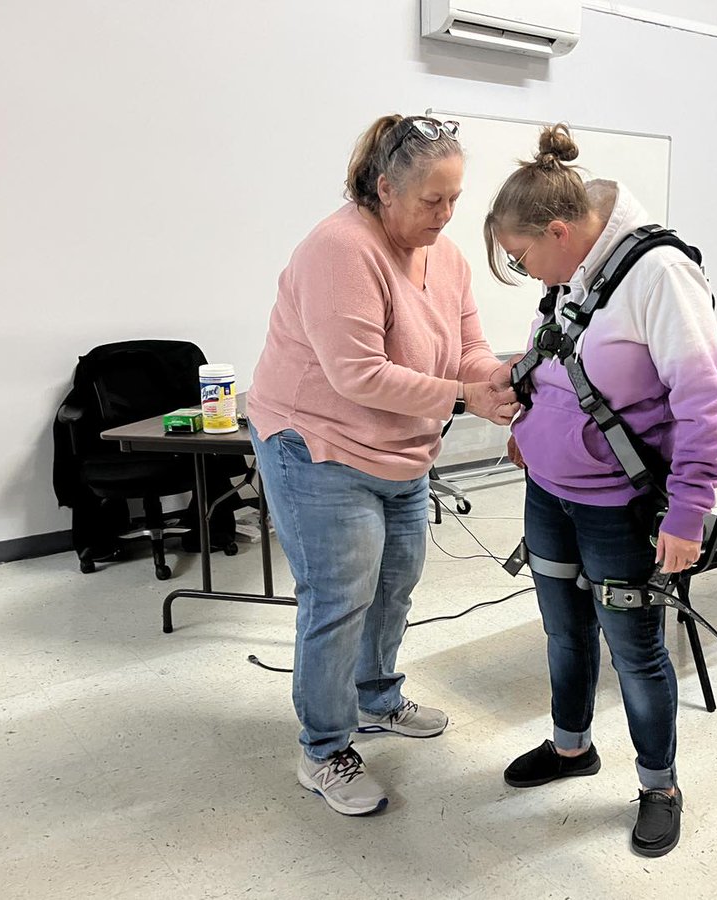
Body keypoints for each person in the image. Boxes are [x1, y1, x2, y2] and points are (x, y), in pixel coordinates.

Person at [246, 114, 519, 817]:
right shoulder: (340, 250)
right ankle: (322, 749)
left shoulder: (447, 255)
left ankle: (376, 701)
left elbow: (468, 346)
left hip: (400, 450)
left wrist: (495, 376)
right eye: (432, 199)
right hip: (319, 445)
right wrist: (467, 395)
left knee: (395, 582)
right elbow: (357, 375)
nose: (446, 214)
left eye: (455, 197)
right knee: (340, 598)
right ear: (383, 187)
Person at [485, 124, 717, 856]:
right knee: (564, 631)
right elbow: (556, 355)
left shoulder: (658, 274)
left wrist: (689, 511)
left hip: (617, 507)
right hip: (549, 495)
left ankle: (660, 784)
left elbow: (705, 402)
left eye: (521, 257)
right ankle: (571, 748)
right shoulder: (572, 271)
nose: (525, 272)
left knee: (635, 651)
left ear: (559, 231)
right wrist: (527, 424)